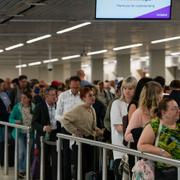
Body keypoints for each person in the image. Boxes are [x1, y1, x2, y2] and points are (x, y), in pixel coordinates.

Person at [61, 87, 103, 179]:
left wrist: (99, 131)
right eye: (90, 95)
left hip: (90, 142)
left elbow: (92, 126)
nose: (93, 97)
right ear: (83, 98)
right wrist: (75, 130)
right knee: (80, 170)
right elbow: (65, 119)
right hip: (80, 143)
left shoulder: (92, 109)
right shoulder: (79, 109)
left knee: (88, 169)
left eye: (93, 95)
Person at [137, 98, 180, 180]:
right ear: (164, 112)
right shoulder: (155, 124)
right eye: (174, 108)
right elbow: (141, 145)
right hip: (164, 171)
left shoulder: (178, 125)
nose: (178, 110)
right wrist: (162, 152)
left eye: (178, 108)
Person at [55, 76, 82, 180]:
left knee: (78, 156)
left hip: (79, 129)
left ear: (79, 86)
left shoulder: (83, 95)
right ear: (69, 85)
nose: (75, 89)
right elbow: (57, 114)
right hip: (66, 129)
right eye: (73, 87)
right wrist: (65, 121)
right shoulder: (63, 96)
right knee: (66, 156)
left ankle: (77, 177)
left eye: (77, 87)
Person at [110, 76, 137, 180]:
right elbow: (119, 128)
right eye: (125, 88)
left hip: (133, 148)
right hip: (120, 148)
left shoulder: (137, 104)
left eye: (130, 88)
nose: (127, 91)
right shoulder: (116, 104)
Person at [32, 87, 61, 180]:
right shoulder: (39, 106)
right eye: (52, 95)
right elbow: (34, 123)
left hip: (56, 136)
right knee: (45, 161)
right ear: (46, 96)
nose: (55, 97)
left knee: (56, 160)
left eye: (55, 95)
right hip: (43, 137)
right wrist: (43, 128)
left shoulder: (58, 106)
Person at [9, 90, 34, 179]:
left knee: (28, 153)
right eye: (21, 98)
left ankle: (24, 170)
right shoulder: (17, 107)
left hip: (30, 134)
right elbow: (10, 119)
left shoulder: (34, 107)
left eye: (24, 98)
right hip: (19, 133)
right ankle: (20, 170)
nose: (22, 99)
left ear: (29, 99)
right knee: (21, 152)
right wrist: (15, 121)